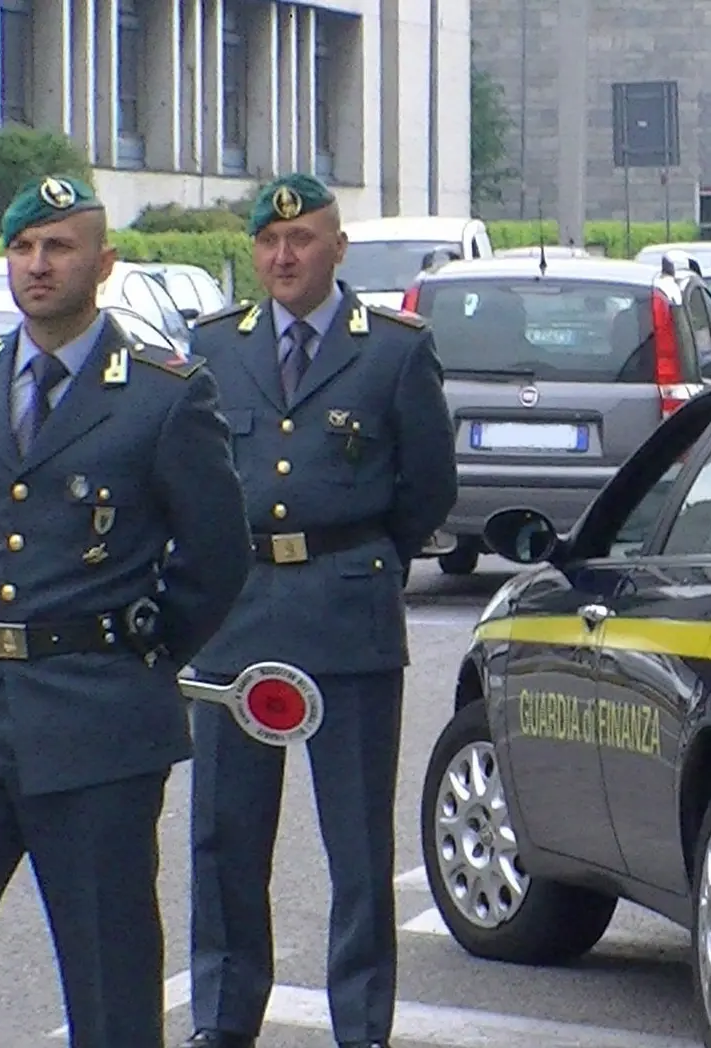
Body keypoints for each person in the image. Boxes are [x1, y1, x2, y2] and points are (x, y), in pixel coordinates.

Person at [0, 175, 252, 1047]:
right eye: (22, 248)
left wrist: (137, 654)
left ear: (104, 262)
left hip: (97, 717)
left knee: (109, 973)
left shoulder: (166, 395)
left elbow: (216, 556)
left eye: (58, 248)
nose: (36, 266)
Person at [181, 174, 458, 1048]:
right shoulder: (215, 347)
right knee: (225, 839)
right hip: (238, 612)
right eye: (268, 242)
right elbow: (190, 482)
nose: (284, 257)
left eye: (302, 242)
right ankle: (223, 1022)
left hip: (346, 611)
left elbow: (426, 490)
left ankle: (361, 1026)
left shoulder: (394, 350)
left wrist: (361, 561)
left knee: (357, 844)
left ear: (339, 249)